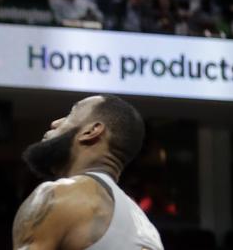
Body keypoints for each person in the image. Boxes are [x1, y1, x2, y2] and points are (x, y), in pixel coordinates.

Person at [12, 95, 164, 250]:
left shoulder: (60, 195)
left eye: (71, 114)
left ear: (91, 131)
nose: (55, 123)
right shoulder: (147, 228)